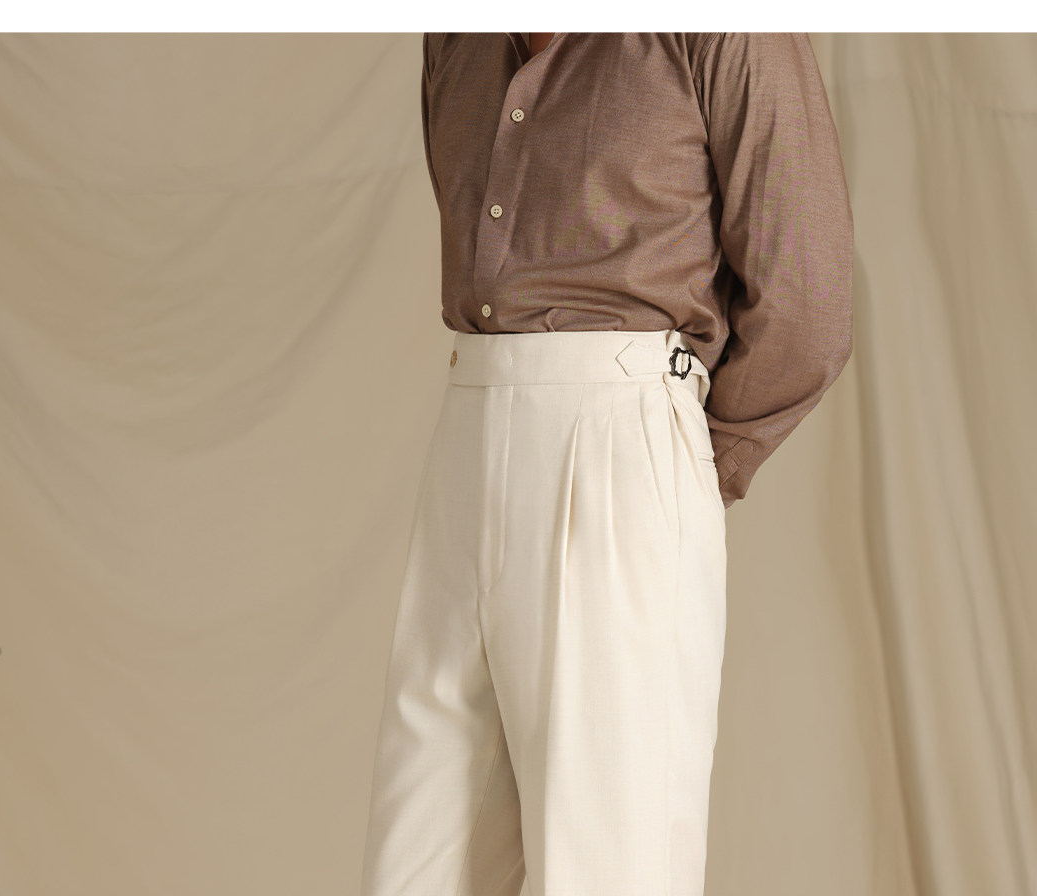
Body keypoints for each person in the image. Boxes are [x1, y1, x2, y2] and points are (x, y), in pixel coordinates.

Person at [360, 32, 854, 896]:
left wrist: (682, 465)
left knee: (610, 862)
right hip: (467, 436)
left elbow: (809, 303)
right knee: (416, 866)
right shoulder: (456, 35)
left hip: (620, 445)